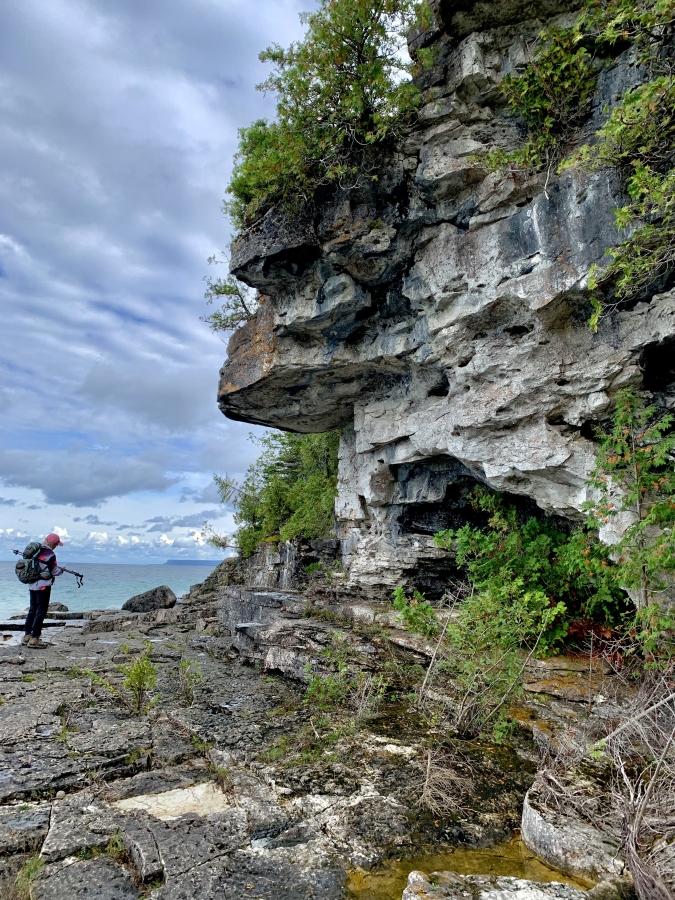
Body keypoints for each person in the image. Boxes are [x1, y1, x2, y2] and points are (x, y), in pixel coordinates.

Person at [22, 533, 64, 649]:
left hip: (32, 584)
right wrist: (62, 570)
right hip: (43, 585)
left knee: (32, 609)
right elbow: (55, 571)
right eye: (56, 544)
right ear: (51, 542)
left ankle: (27, 636)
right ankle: (35, 638)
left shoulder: (34, 551)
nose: (56, 546)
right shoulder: (49, 554)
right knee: (41, 611)